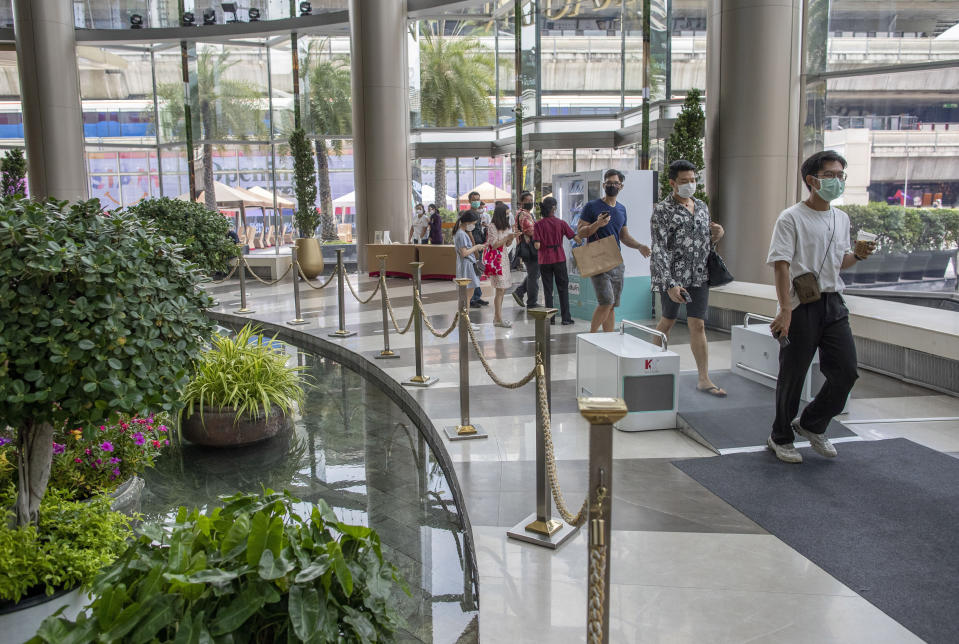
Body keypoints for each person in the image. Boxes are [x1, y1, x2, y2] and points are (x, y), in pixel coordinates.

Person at [766, 150, 876, 464]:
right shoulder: (791, 217)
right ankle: (780, 436)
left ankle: (813, 423)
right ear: (811, 180)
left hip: (833, 302)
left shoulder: (841, 218)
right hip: (801, 305)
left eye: (841, 175)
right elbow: (781, 265)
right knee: (793, 375)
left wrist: (858, 255)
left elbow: (840, 262)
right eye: (831, 175)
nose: (838, 181)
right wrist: (785, 310)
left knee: (846, 371)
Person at [650, 159, 727, 397]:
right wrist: (670, 283)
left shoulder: (702, 206)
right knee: (667, 322)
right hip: (674, 277)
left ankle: (703, 378)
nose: (690, 184)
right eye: (684, 181)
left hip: (699, 275)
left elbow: (704, 241)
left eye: (693, 180)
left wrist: (718, 235)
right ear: (673, 183)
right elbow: (659, 249)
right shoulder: (662, 211)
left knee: (698, 324)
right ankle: (651, 368)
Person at [577, 169, 651, 332]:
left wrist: (640, 246)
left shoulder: (622, 209)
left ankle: (608, 338)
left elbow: (624, 236)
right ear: (603, 185)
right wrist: (597, 224)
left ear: (621, 186)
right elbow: (580, 233)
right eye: (609, 183)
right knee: (606, 302)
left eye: (615, 183)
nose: (611, 186)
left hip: (616, 260)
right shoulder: (592, 206)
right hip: (597, 259)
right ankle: (592, 335)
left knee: (612, 305)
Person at [534, 196, 582, 325]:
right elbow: (575, 238)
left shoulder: (538, 224)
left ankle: (551, 318)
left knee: (548, 290)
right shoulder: (561, 223)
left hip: (544, 260)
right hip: (559, 258)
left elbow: (537, 245)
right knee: (563, 289)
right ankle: (566, 318)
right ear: (554, 208)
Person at [485, 202, 521, 328]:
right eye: (506, 214)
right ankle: (498, 318)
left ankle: (497, 317)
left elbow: (506, 244)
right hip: (496, 261)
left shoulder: (505, 227)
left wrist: (512, 237)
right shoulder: (492, 227)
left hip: (504, 259)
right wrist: (507, 238)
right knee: (499, 289)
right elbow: (494, 244)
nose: (508, 217)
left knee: (503, 289)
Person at [453, 211, 488, 318]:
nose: (473, 225)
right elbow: (464, 253)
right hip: (467, 266)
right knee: (467, 296)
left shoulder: (460, 233)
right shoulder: (462, 234)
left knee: (465, 296)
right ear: (467, 222)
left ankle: (464, 319)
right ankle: (465, 320)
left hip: (465, 265)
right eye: (473, 223)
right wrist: (476, 247)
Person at [512, 191, 540, 308]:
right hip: (529, 248)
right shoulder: (523, 214)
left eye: (531, 200)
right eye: (527, 201)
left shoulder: (526, 213)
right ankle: (532, 302)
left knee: (534, 274)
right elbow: (530, 231)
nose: (530, 202)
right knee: (534, 275)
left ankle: (519, 291)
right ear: (521, 202)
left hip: (529, 247)